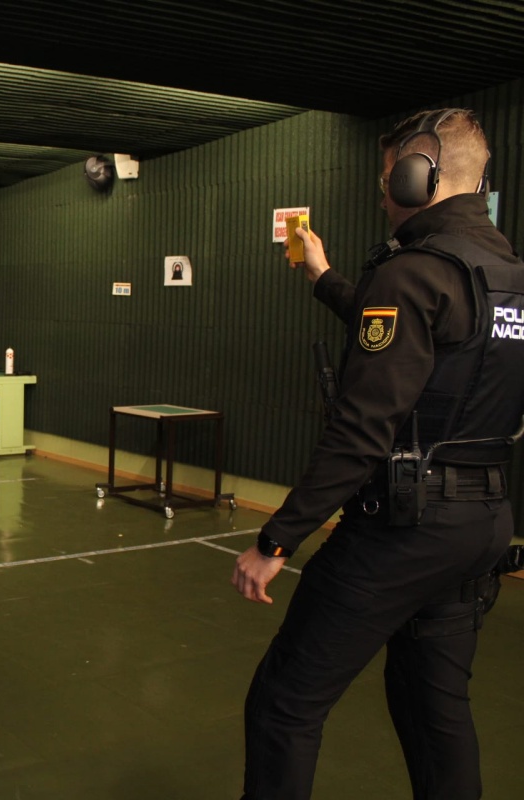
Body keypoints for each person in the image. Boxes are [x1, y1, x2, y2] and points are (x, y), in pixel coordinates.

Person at [232, 108, 524, 799]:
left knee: (285, 702)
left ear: (418, 175)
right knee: (435, 711)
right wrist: (324, 276)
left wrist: (277, 540)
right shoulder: (507, 275)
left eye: (388, 176)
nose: (383, 192)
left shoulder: (412, 271)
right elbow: (419, 342)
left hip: (400, 530)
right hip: (481, 526)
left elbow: (362, 430)